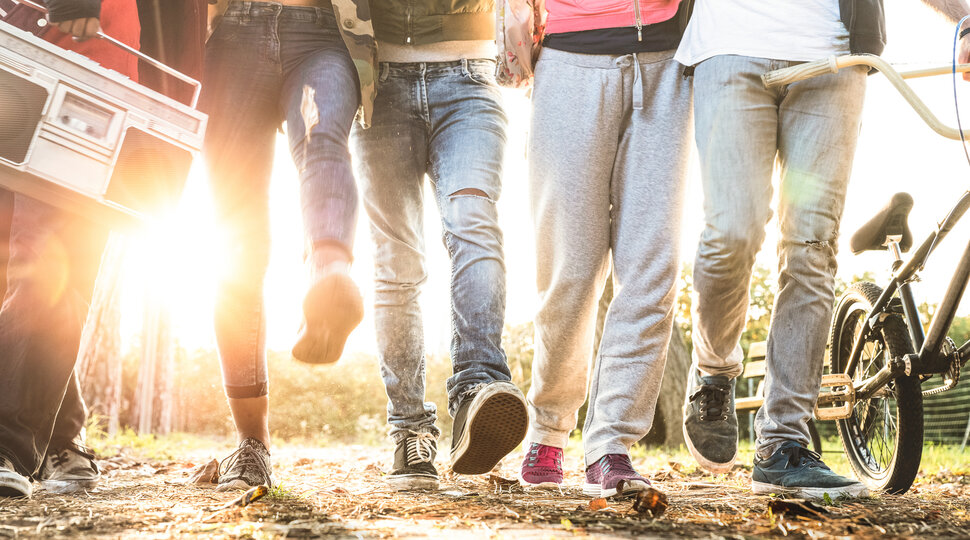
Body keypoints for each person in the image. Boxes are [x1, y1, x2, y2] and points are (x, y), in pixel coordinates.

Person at [677, 0, 970, 500]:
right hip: (729, 50)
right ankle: (713, 371)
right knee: (731, 233)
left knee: (811, 247)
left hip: (834, 56)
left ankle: (783, 444)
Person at [0, 0, 204, 498]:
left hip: (79, 47)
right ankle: (55, 434)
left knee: (51, 262)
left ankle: (14, 441)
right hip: (25, 37)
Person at [350, 0, 529, 491]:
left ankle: (477, 386)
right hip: (377, 82)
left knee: (473, 221)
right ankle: (410, 430)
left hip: (468, 78)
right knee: (396, 260)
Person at [199, 0, 376, 490]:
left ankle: (329, 276)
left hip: (321, 35)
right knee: (239, 235)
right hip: (232, 37)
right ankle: (251, 441)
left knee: (321, 139)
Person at [520, 0, 693, 498]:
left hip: (666, 64)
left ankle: (611, 444)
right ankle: (549, 427)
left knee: (651, 267)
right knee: (569, 268)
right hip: (568, 61)